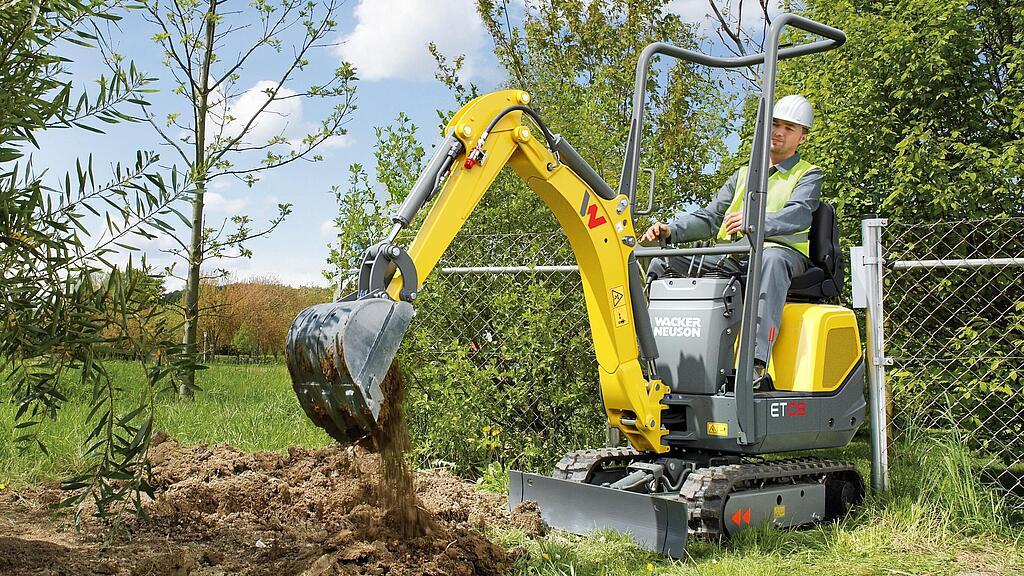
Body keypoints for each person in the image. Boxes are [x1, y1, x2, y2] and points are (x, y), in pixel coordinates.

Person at [641, 95, 822, 386]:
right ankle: (649, 356)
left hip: (780, 254)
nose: (779, 132)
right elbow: (711, 217)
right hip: (734, 254)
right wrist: (670, 230)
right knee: (664, 262)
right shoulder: (742, 175)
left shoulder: (808, 174)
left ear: (802, 137)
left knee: (771, 259)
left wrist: (755, 223)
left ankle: (754, 363)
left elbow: (799, 215)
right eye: (775, 124)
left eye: (789, 128)